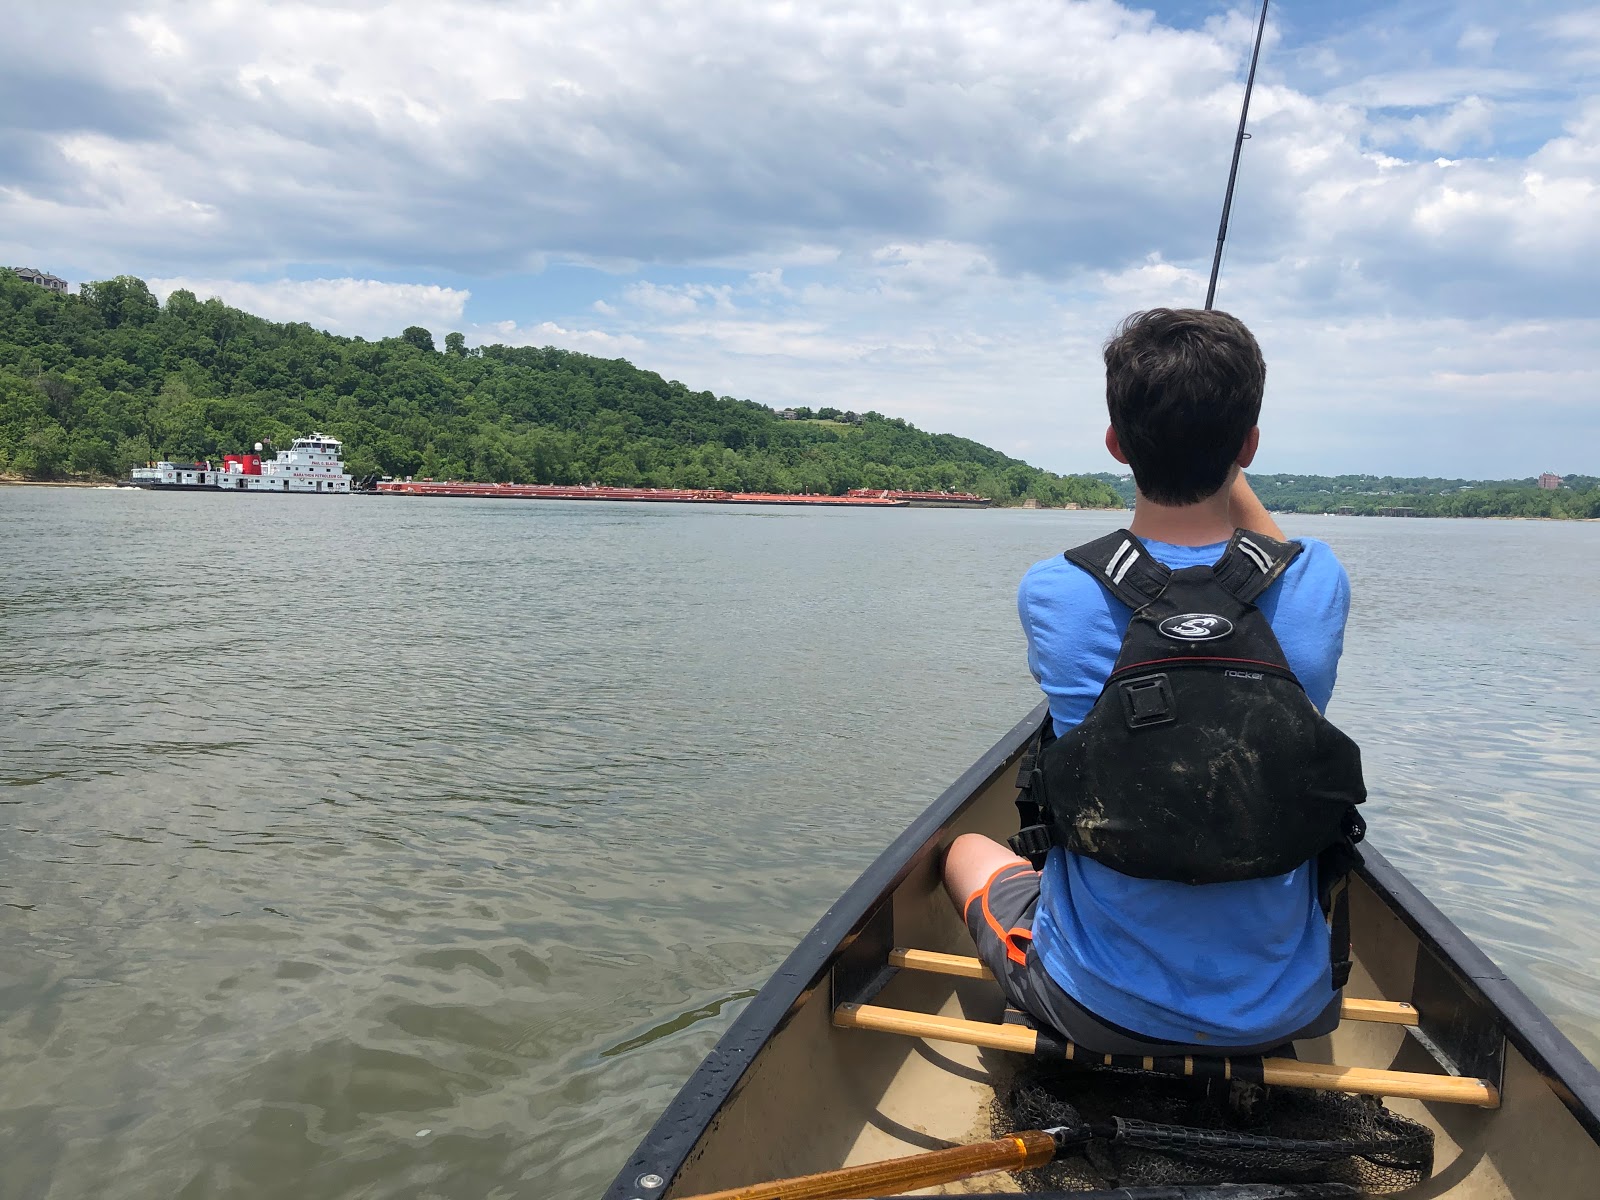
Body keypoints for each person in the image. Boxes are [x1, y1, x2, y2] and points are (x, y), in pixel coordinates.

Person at [943, 307, 1354, 1055]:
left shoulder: (1054, 590)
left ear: (1115, 445)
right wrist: (1225, 459)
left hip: (1097, 1005)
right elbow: (1273, 554)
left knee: (964, 848)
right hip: (1288, 1008)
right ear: (1250, 446)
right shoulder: (1318, 580)